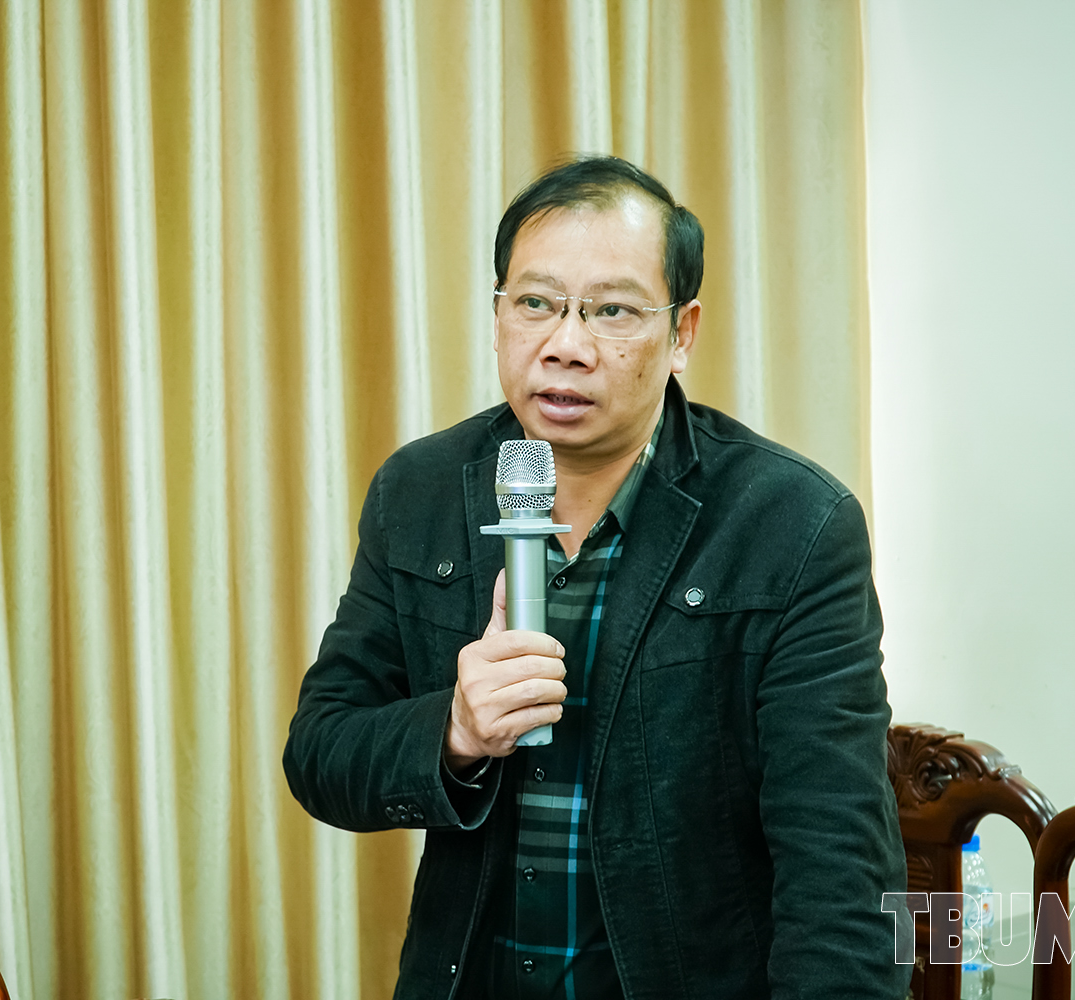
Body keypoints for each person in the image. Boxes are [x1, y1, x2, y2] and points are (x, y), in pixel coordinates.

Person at [283, 155, 908, 999]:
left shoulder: (790, 523)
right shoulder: (420, 490)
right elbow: (321, 751)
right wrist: (456, 730)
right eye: (536, 303)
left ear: (682, 334)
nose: (565, 347)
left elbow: (839, 865)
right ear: (498, 316)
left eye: (612, 311)